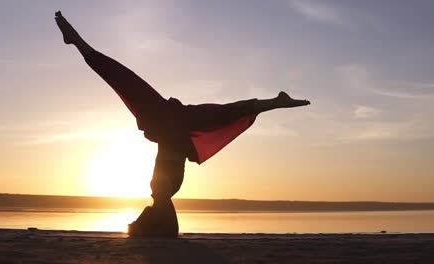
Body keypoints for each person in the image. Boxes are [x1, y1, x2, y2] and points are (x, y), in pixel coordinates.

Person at [55, 11, 310, 237]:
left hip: (170, 125)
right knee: (128, 81)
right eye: (146, 216)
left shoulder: (162, 190)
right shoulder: (162, 190)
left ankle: (78, 41)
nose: (147, 208)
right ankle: (78, 41)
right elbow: (226, 113)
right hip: (174, 126)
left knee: (124, 80)